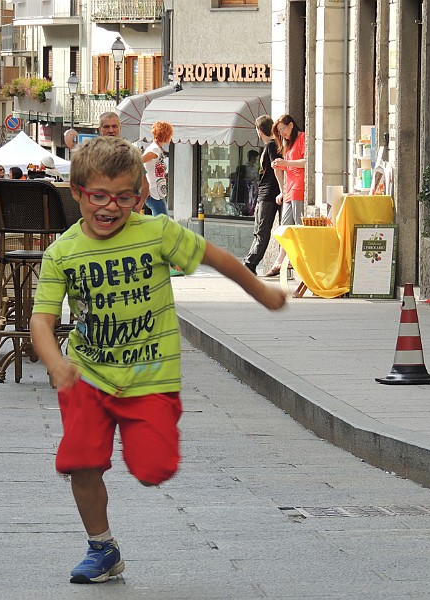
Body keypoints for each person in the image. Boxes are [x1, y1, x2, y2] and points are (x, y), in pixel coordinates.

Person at [29, 136, 286, 585]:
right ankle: (101, 547)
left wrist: (261, 291)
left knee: (153, 471)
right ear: (77, 192)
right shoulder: (62, 253)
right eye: (99, 196)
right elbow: (41, 321)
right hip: (87, 376)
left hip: (150, 375)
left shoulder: (156, 233)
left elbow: (218, 257)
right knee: (81, 463)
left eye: (124, 197)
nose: (111, 207)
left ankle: (141, 445)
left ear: (140, 194)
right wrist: (55, 364)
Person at [265, 114, 306, 277]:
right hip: (289, 188)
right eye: (279, 132)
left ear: (291, 125)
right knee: (285, 227)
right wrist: (279, 168)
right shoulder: (287, 144)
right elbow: (286, 167)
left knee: (296, 225)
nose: (282, 134)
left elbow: (306, 161)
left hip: (299, 187)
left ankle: (285, 261)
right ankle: (281, 260)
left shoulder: (302, 137)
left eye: (282, 129)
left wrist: (286, 163)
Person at [242, 116, 285, 275]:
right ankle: (249, 264)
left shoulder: (272, 146)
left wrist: (282, 190)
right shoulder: (275, 145)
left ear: (259, 131)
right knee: (261, 231)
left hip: (268, 195)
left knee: (261, 232)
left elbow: (277, 167)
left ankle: (249, 265)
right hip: (269, 194)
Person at [141, 120, 172, 216]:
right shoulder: (155, 150)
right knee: (163, 222)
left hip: (157, 191)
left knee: (161, 221)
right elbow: (138, 161)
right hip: (153, 192)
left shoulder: (157, 149)